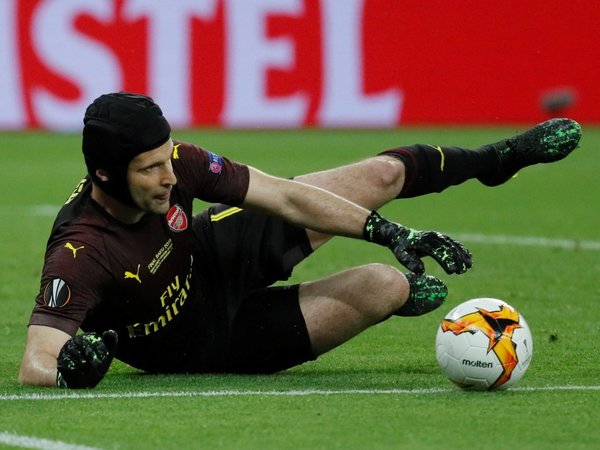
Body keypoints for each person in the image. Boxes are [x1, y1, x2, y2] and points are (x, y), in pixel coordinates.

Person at [18, 92, 581, 389]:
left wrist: (384, 228)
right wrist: (71, 369)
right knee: (384, 287)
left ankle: (493, 161)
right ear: (106, 176)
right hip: (206, 341)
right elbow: (35, 361)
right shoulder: (80, 251)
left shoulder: (178, 164)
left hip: (211, 252)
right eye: (150, 169)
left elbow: (282, 195)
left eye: (169, 158)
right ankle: (400, 298)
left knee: (378, 180)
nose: (170, 176)